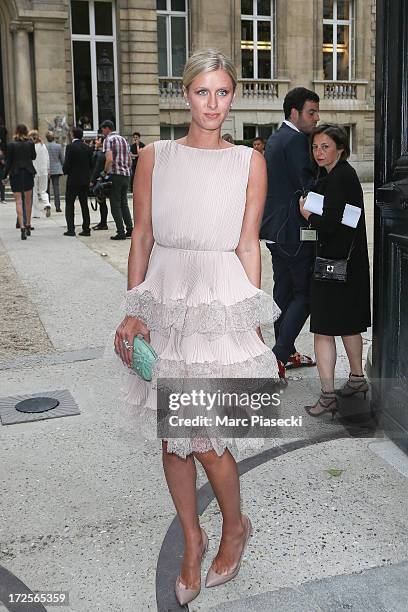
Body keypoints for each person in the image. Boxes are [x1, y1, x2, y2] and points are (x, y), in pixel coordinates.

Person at [114, 49, 280, 606]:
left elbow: (247, 241)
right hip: (164, 299)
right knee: (172, 437)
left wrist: (253, 320)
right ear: (185, 95)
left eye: (223, 93)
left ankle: (235, 526)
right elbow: (140, 236)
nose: (213, 104)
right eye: (203, 92)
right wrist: (134, 309)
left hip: (217, 301)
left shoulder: (249, 162)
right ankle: (192, 538)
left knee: (208, 439)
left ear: (233, 98)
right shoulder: (154, 157)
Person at [299, 124, 371, 417]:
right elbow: (346, 222)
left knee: (323, 331)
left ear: (341, 148)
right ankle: (356, 379)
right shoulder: (343, 174)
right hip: (348, 266)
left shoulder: (338, 178)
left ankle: (328, 396)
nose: (319, 152)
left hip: (332, 266)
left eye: (325, 146)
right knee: (348, 324)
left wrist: (307, 215)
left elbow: (330, 226)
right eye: (315, 147)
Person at [260, 87, 320, 379]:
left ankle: (288, 352)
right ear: (294, 112)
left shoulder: (275, 138)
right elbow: (308, 185)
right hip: (294, 232)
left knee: (283, 292)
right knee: (306, 294)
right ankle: (277, 357)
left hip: (274, 230)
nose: (316, 118)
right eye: (311, 112)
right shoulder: (296, 140)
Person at [100, 120, 133, 240]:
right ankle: (130, 229)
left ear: (107, 128)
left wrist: (104, 172)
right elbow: (129, 160)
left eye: (102, 129)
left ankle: (120, 231)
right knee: (124, 203)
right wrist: (126, 169)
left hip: (115, 175)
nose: (102, 132)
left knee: (115, 204)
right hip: (126, 174)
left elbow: (109, 159)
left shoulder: (108, 140)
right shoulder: (124, 139)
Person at [4, 124, 36, 240]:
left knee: (18, 201)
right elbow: (33, 157)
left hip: (15, 173)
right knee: (28, 201)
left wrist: (4, 175)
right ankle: (28, 224)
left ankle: (21, 226)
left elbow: (9, 161)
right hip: (28, 172)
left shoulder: (11, 144)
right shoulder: (30, 143)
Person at [62, 126, 93, 236]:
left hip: (73, 180)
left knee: (70, 204)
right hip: (84, 180)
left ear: (73, 135)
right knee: (84, 204)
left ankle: (71, 229)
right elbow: (91, 164)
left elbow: (67, 163)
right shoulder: (87, 147)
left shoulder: (70, 147)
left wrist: (65, 171)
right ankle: (86, 228)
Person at [29, 130, 51, 218]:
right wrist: (48, 169)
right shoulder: (43, 146)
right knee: (43, 190)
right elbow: (47, 159)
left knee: (34, 191)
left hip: (34, 171)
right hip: (43, 171)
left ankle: (36, 213)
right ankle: (47, 203)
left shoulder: (30, 146)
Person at [90, 135, 109, 230]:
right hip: (102, 179)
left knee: (102, 202)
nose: (95, 141)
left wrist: (92, 181)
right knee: (102, 202)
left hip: (99, 180)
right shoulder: (101, 152)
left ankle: (103, 223)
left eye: (98, 140)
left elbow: (96, 168)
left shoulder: (100, 154)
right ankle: (103, 222)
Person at [45, 131, 64, 212]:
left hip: (46, 169)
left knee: (46, 189)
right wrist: (63, 168)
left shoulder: (44, 146)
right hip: (56, 169)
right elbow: (62, 158)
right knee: (56, 188)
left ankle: (47, 205)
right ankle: (57, 206)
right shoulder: (58, 146)